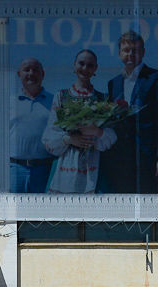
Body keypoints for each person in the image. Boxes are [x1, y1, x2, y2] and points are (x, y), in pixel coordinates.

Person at [102, 30, 158, 193]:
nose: (130, 54)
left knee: (150, 203)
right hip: (120, 157)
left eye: (134, 50)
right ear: (119, 53)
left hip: (149, 157)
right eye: (126, 50)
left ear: (143, 52)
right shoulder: (113, 83)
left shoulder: (157, 78)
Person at [41, 49, 117, 194]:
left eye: (90, 65)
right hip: (66, 162)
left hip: (94, 162)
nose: (85, 68)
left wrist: (97, 132)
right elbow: (50, 133)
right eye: (81, 63)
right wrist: (69, 139)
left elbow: (111, 135)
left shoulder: (102, 99)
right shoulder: (61, 96)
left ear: (95, 69)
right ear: (74, 65)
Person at [9, 57, 55, 192]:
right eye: (26, 70)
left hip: (45, 170)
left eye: (35, 70)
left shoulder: (55, 102)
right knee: (13, 206)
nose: (31, 73)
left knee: (43, 206)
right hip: (15, 170)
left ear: (43, 74)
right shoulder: (8, 102)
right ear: (19, 74)